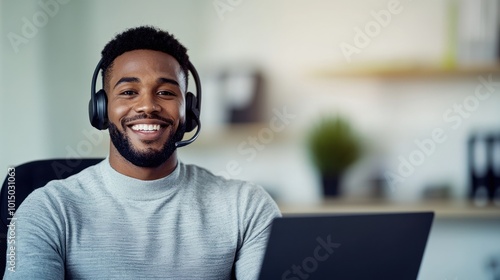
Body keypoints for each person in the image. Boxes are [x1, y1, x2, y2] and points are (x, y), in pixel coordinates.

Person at [4, 26, 281, 280]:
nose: (147, 106)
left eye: (165, 92)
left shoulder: (246, 207)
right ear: (101, 108)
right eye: (128, 92)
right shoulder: (47, 210)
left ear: (190, 111)